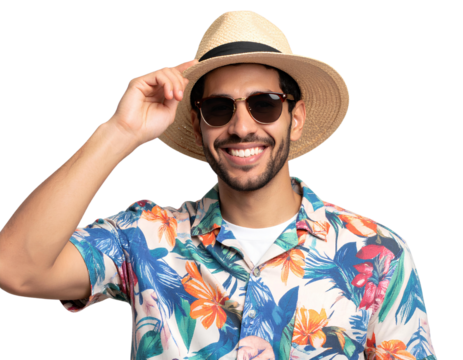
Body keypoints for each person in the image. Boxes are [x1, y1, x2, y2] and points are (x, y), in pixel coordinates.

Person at [0, 8, 436, 360]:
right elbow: (14, 269)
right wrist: (120, 132)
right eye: (219, 107)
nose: (242, 126)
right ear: (197, 122)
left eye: (264, 105)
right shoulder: (145, 237)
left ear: (295, 118)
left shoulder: (379, 254)